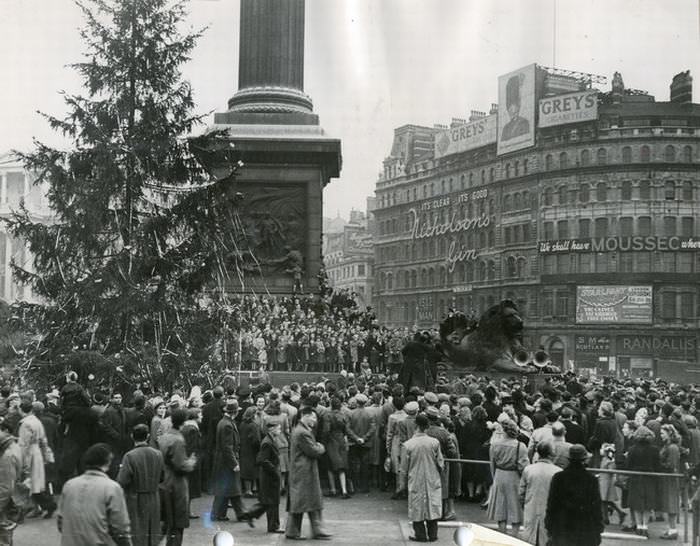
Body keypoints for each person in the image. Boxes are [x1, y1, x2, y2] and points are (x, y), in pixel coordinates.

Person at [58, 443, 132, 546]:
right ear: (108, 461)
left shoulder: (69, 485)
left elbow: (61, 523)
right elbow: (120, 529)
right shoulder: (112, 487)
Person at [286, 406, 332, 540]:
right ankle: (305, 530)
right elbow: (313, 451)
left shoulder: (300, 429)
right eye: (313, 417)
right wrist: (321, 446)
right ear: (304, 416)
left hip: (302, 470)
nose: (315, 420)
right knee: (303, 502)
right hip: (304, 472)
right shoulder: (303, 432)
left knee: (305, 501)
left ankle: (309, 530)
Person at [545, 444, 604, 546]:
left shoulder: (559, 477)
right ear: (584, 459)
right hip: (585, 525)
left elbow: (552, 503)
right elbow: (596, 505)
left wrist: (549, 524)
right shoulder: (591, 479)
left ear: (569, 458)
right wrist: (598, 526)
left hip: (563, 524)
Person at [399, 412, 444, 543]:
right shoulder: (434, 443)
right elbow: (440, 463)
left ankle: (420, 535)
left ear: (416, 425)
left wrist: (402, 484)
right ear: (427, 426)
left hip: (415, 478)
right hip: (432, 477)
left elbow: (403, 468)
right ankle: (433, 534)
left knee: (416, 506)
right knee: (432, 505)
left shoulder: (408, 445)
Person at [117, 424, 164, 546]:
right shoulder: (158, 454)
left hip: (135, 498)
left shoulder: (129, 456)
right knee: (152, 531)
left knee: (138, 533)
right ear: (148, 436)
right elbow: (162, 477)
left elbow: (122, 480)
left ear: (132, 436)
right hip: (154, 497)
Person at [210, 399, 253, 525]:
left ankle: (218, 513)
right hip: (227, 461)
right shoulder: (227, 425)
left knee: (225, 489)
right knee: (233, 489)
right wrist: (234, 463)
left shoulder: (224, 422)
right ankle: (240, 513)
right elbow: (227, 447)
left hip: (222, 461)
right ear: (234, 412)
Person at [159, 408, 196, 546]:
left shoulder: (165, 436)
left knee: (168, 521)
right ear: (183, 422)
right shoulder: (178, 440)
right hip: (177, 485)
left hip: (165, 481)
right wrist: (191, 462)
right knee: (177, 523)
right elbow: (180, 465)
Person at [488, 418, 529, 535]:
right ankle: (514, 536)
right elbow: (524, 467)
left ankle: (502, 533)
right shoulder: (520, 446)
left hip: (499, 475)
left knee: (501, 507)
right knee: (515, 507)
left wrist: (494, 477)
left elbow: (492, 464)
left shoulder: (495, 444)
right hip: (514, 477)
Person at [17, 400, 56, 518]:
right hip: (37, 452)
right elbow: (43, 440)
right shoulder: (36, 421)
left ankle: (48, 505)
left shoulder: (25, 424)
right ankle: (40, 507)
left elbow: (24, 444)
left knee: (31, 483)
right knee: (36, 483)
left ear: (21, 409)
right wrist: (47, 455)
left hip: (30, 454)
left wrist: (22, 461)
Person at [519, 441, 562, 546]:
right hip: (550, 512)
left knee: (529, 538)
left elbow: (521, 492)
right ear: (551, 454)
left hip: (531, 508)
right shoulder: (558, 472)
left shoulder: (528, 469)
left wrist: (524, 504)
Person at [247, 421, 284, 533]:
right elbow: (262, 460)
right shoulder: (267, 442)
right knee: (273, 501)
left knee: (267, 501)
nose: (280, 430)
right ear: (271, 429)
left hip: (268, 475)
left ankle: (250, 515)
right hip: (270, 476)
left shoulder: (269, 440)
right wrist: (274, 471)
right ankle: (273, 526)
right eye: (278, 428)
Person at [624, 425, 660, 536]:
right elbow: (657, 465)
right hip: (650, 478)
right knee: (647, 504)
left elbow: (628, 465)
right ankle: (645, 526)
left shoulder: (632, 449)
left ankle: (639, 526)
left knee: (636, 503)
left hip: (635, 477)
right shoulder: (654, 449)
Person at [322, 396, 351, 498]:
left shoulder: (327, 415)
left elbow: (326, 430)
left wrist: (323, 442)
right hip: (342, 440)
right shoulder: (344, 415)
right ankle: (344, 490)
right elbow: (347, 430)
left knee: (330, 465)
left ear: (331, 405)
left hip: (331, 441)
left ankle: (333, 489)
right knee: (342, 466)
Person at [347, 393, 376, 494]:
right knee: (365, 465)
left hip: (353, 443)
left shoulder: (350, 413)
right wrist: (364, 438)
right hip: (366, 443)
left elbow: (348, 428)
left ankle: (355, 486)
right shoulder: (370, 414)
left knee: (354, 464)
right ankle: (365, 486)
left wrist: (356, 438)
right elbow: (372, 428)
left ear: (357, 402)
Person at [658, 424, 681, 540]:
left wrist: (659, 465)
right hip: (668, 478)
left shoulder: (672, 447)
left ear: (669, 433)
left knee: (671, 503)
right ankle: (671, 529)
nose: (660, 435)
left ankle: (673, 530)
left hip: (670, 478)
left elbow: (671, 465)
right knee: (669, 503)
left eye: (662, 433)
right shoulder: (669, 446)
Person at [0, 429, 22, 546]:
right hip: (9, 494)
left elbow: (5, 488)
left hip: (5, 498)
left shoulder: (6, 457)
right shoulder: (13, 447)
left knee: (4, 530)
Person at [101, 393, 130, 478]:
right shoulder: (109, 411)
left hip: (122, 439)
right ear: (112, 399)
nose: (118, 400)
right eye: (116, 398)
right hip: (113, 440)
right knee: (114, 460)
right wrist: (116, 435)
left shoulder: (122, 410)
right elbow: (107, 426)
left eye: (120, 398)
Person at [501, 72, 530, 141]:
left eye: (512, 108)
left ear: (517, 108)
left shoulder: (524, 122)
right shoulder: (506, 127)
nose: (510, 111)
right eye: (509, 109)